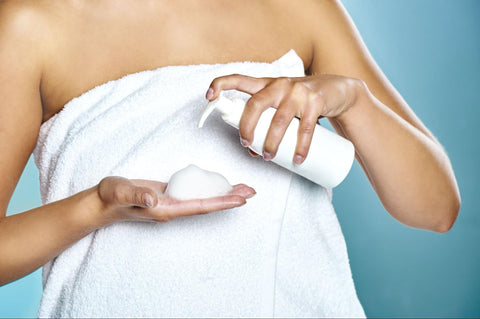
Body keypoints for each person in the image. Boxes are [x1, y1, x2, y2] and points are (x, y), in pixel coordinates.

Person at [0, 0, 460, 317]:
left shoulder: (298, 9)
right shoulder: (32, 24)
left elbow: (436, 209)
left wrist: (354, 100)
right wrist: (98, 206)